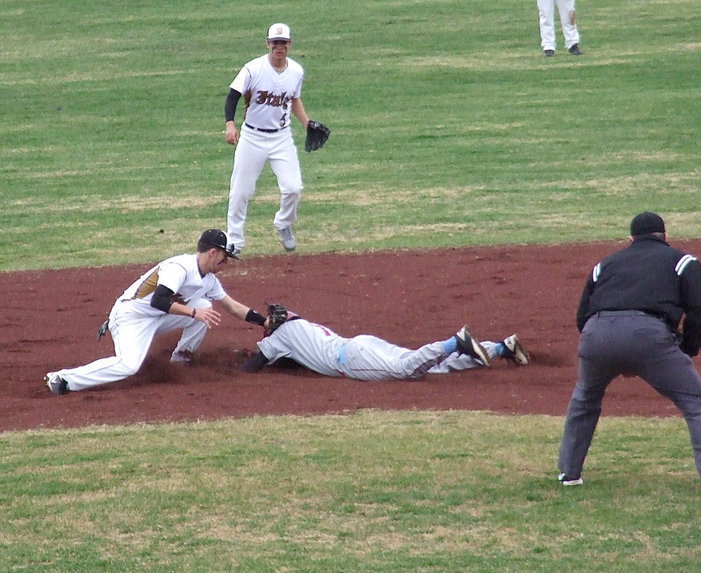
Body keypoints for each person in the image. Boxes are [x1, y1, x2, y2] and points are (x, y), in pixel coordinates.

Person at [557, 212, 701, 492]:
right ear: (665, 237)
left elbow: (582, 316)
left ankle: (568, 473)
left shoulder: (604, 264)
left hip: (596, 333)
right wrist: (687, 348)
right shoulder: (683, 261)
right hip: (649, 335)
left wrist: (606, 347)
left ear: (630, 239)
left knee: (585, 398)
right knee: (696, 403)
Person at [44, 230, 272, 395]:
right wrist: (192, 313)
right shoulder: (180, 267)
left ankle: (182, 360)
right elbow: (159, 300)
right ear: (213, 252)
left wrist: (265, 322)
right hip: (131, 318)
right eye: (225, 257)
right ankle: (64, 378)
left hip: (157, 317)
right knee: (128, 365)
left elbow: (233, 306)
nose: (227, 263)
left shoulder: (209, 280)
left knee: (205, 308)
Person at [224, 22, 318, 254]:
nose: (279, 47)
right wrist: (230, 124)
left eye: (283, 43)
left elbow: (294, 99)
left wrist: (307, 124)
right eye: (275, 43)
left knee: (293, 188)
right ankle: (234, 241)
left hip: (281, 138)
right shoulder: (253, 69)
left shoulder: (296, 71)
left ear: (290, 45)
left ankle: (284, 224)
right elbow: (232, 96)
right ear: (267, 44)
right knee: (240, 191)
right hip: (252, 137)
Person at [239, 307, 530, 380]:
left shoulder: (278, 339)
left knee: (407, 370)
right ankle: (501, 348)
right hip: (362, 344)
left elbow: (253, 366)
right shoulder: (301, 324)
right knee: (426, 366)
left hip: (353, 361)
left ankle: (455, 342)